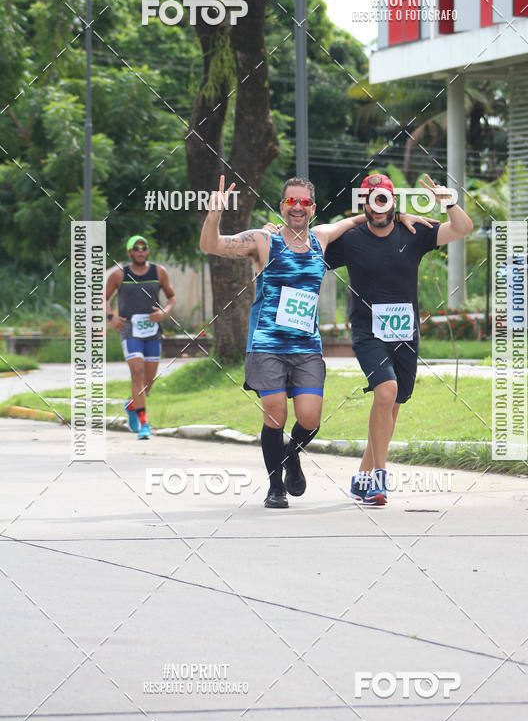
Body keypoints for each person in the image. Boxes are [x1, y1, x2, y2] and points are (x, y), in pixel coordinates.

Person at [200, 175, 435, 509]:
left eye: (304, 202)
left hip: (306, 347)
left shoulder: (321, 238)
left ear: (313, 208)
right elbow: (212, 245)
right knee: (276, 413)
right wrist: (214, 215)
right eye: (291, 202)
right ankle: (274, 488)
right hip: (267, 344)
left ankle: (291, 455)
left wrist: (398, 215)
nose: (297, 207)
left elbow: (361, 217)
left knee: (310, 418)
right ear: (281, 206)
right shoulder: (263, 240)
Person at [325, 173, 473, 506]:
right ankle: (379, 478)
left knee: (391, 406)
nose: (378, 207)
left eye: (384, 198)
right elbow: (311, 247)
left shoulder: (414, 232)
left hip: (405, 333)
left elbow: (462, 228)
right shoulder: (351, 240)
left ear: (393, 200)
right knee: (386, 391)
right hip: (368, 332)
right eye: (371, 199)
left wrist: (447, 202)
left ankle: (362, 478)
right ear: (363, 203)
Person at [105, 235, 176, 440]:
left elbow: (171, 297)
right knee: (137, 374)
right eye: (136, 248)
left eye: (143, 247)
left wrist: (164, 312)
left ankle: (131, 406)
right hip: (130, 331)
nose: (140, 251)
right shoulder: (119, 274)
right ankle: (145, 424)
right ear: (130, 252)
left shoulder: (159, 272)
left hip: (152, 331)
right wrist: (111, 317)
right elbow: (103, 298)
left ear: (147, 251)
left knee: (148, 381)